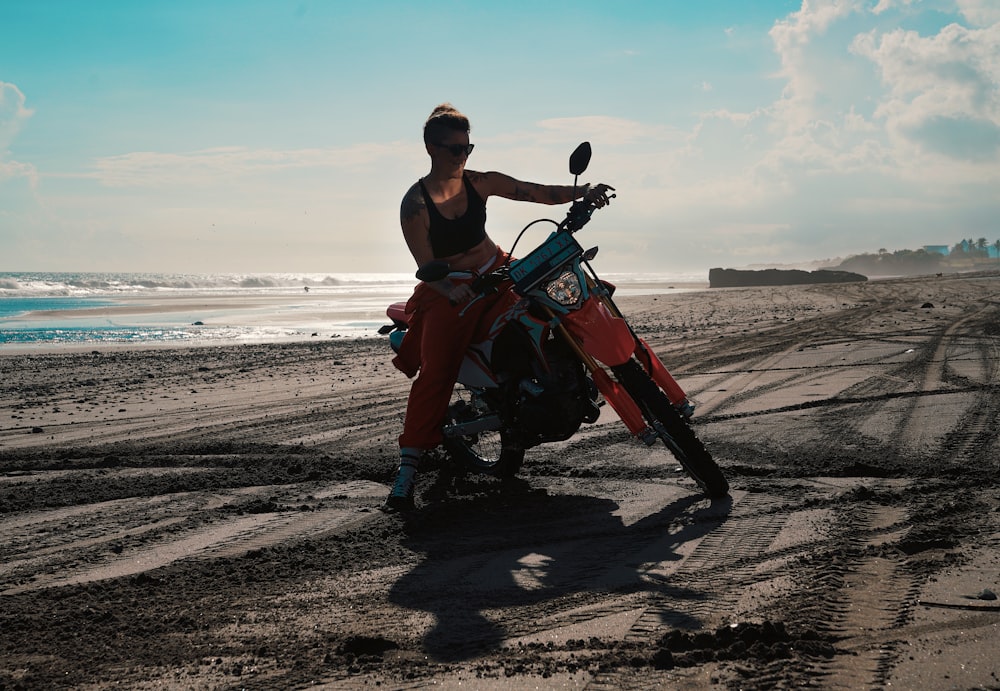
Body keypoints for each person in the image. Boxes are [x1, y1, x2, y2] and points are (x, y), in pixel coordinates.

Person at [382, 103, 614, 512]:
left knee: (567, 300)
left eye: (467, 147)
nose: (462, 156)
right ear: (430, 148)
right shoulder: (415, 204)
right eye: (454, 149)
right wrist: (447, 288)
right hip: (451, 291)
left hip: (500, 269)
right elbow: (425, 267)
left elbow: (534, 192)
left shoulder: (480, 182)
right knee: (437, 373)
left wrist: (583, 193)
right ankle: (407, 469)